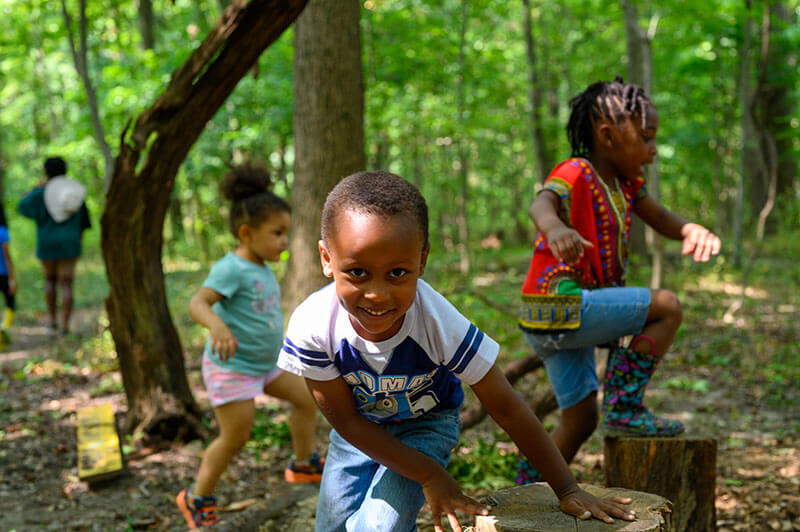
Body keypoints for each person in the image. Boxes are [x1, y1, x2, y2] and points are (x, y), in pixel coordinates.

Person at [277, 171, 636, 532]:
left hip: (426, 426)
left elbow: (506, 406)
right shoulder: (313, 325)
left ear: (422, 260)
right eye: (357, 272)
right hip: (359, 431)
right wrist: (430, 476)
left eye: (398, 273)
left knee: (377, 527)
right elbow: (346, 421)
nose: (378, 294)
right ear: (326, 258)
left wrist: (567, 488)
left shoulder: (438, 323)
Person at [515, 76, 721, 485]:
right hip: (561, 305)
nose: (653, 150)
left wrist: (690, 229)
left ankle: (529, 487)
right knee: (666, 307)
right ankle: (625, 405)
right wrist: (554, 229)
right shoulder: (576, 171)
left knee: (581, 419)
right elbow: (542, 202)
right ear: (607, 136)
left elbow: (660, 217)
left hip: (558, 322)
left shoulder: (626, 186)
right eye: (645, 138)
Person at [175, 164, 324, 530]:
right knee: (235, 437)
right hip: (232, 369)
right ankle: (196, 498)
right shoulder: (232, 268)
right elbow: (198, 304)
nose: (284, 241)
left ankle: (303, 464)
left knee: (307, 399)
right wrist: (218, 326)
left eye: (286, 232)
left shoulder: (260, 267)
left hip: (266, 364)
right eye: (277, 233)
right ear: (247, 232)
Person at [18, 156, 91, 334]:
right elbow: (85, 221)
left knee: (50, 280)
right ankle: (65, 325)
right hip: (70, 242)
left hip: (47, 242)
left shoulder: (41, 192)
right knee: (66, 283)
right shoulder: (75, 192)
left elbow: (22, 207)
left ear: (46, 171)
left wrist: (35, 188)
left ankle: (52, 321)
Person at [0, 205, 16, 349]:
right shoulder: (2, 232)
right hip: (3, 274)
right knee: (10, 302)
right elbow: (7, 256)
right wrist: (12, 278)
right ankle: (3, 330)